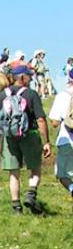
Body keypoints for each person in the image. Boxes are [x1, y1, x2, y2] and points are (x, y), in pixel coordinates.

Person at [0, 64, 51, 214]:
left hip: (9, 138)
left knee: (14, 173)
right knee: (35, 169)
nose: (31, 78)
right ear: (22, 78)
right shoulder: (31, 94)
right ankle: (31, 193)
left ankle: (16, 208)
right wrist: (47, 141)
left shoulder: (3, 95)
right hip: (29, 134)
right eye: (29, 75)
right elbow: (41, 119)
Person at [48, 68, 73, 204]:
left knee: (62, 173)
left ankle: (71, 187)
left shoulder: (62, 96)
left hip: (66, 139)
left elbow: (54, 123)